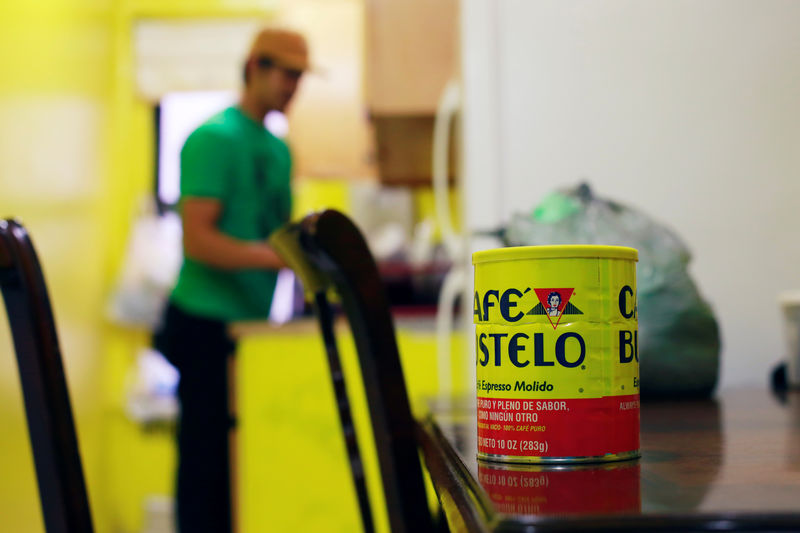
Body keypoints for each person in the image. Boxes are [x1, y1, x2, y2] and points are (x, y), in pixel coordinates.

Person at [152, 27, 310, 533]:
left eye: (300, 76)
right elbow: (198, 241)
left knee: (237, 465)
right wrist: (277, 260)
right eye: (286, 73)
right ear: (254, 68)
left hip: (249, 329)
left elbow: (280, 237)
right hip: (202, 323)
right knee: (205, 468)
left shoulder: (279, 149)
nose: (293, 85)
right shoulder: (213, 138)